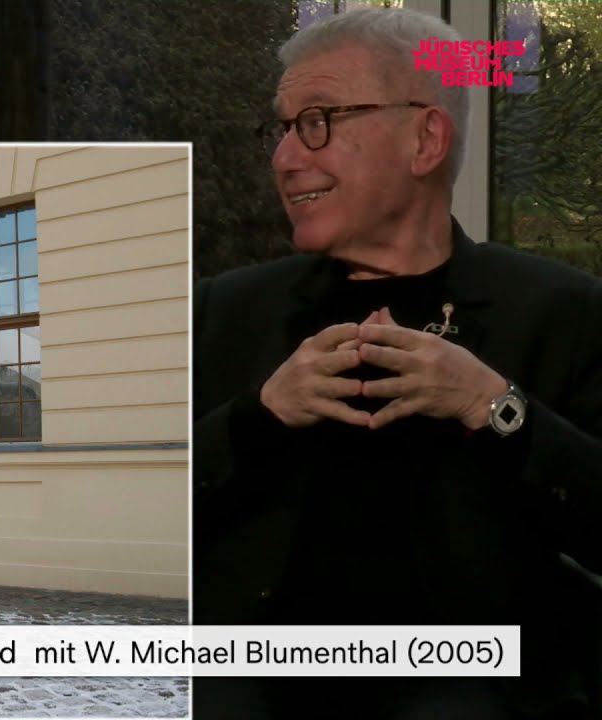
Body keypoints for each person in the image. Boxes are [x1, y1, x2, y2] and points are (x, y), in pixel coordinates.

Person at [193, 7, 602, 719]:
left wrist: (496, 409)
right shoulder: (222, 313)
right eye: (282, 128)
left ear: (426, 138)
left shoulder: (562, 312)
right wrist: (257, 419)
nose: (285, 158)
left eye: (317, 121)